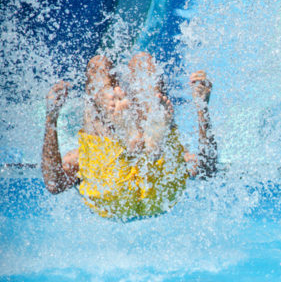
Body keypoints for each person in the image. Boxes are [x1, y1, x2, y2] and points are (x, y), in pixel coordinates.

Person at [41, 52, 217, 220]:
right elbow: (207, 169)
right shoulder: (181, 155)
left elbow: (53, 183)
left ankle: (131, 137)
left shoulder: (80, 156)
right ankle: (149, 142)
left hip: (109, 196)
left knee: (98, 65)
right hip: (161, 194)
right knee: (143, 62)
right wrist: (202, 109)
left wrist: (51, 117)